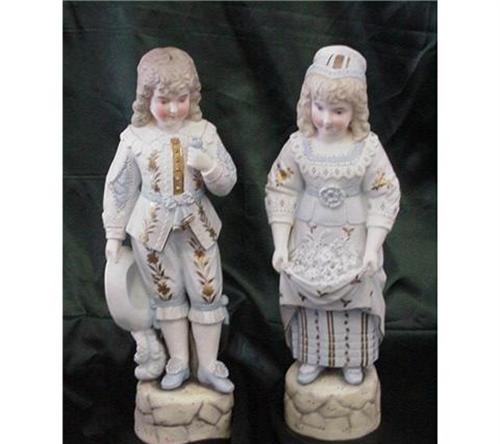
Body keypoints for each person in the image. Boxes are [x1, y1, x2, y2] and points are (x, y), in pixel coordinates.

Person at [103, 47, 237, 393]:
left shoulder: (204, 132)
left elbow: (226, 183)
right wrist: (114, 234)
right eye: (164, 100)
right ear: (146, 98)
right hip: (151, 229)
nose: (174, 109)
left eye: (181, 99)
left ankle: (207, 364)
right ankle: (178, 360)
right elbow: (120, 186)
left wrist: (208, 166)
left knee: (207, 291)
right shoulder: (135, 139)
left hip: (198, 226)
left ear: (192, 96)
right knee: (166, 292)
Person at [265, 46, 400, 385]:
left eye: (338, 111)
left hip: (352, 239)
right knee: (310, 302)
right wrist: (280, 243)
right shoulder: (298, 146)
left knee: (354, 297)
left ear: (355, 111)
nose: (326, 119)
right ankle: (312, 356)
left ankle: (353, 359)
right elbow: (281, 189)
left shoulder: (367, 148)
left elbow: (384, 193)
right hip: (307, 238)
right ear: (307, 102)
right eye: (319, 107)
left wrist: (372, 247)